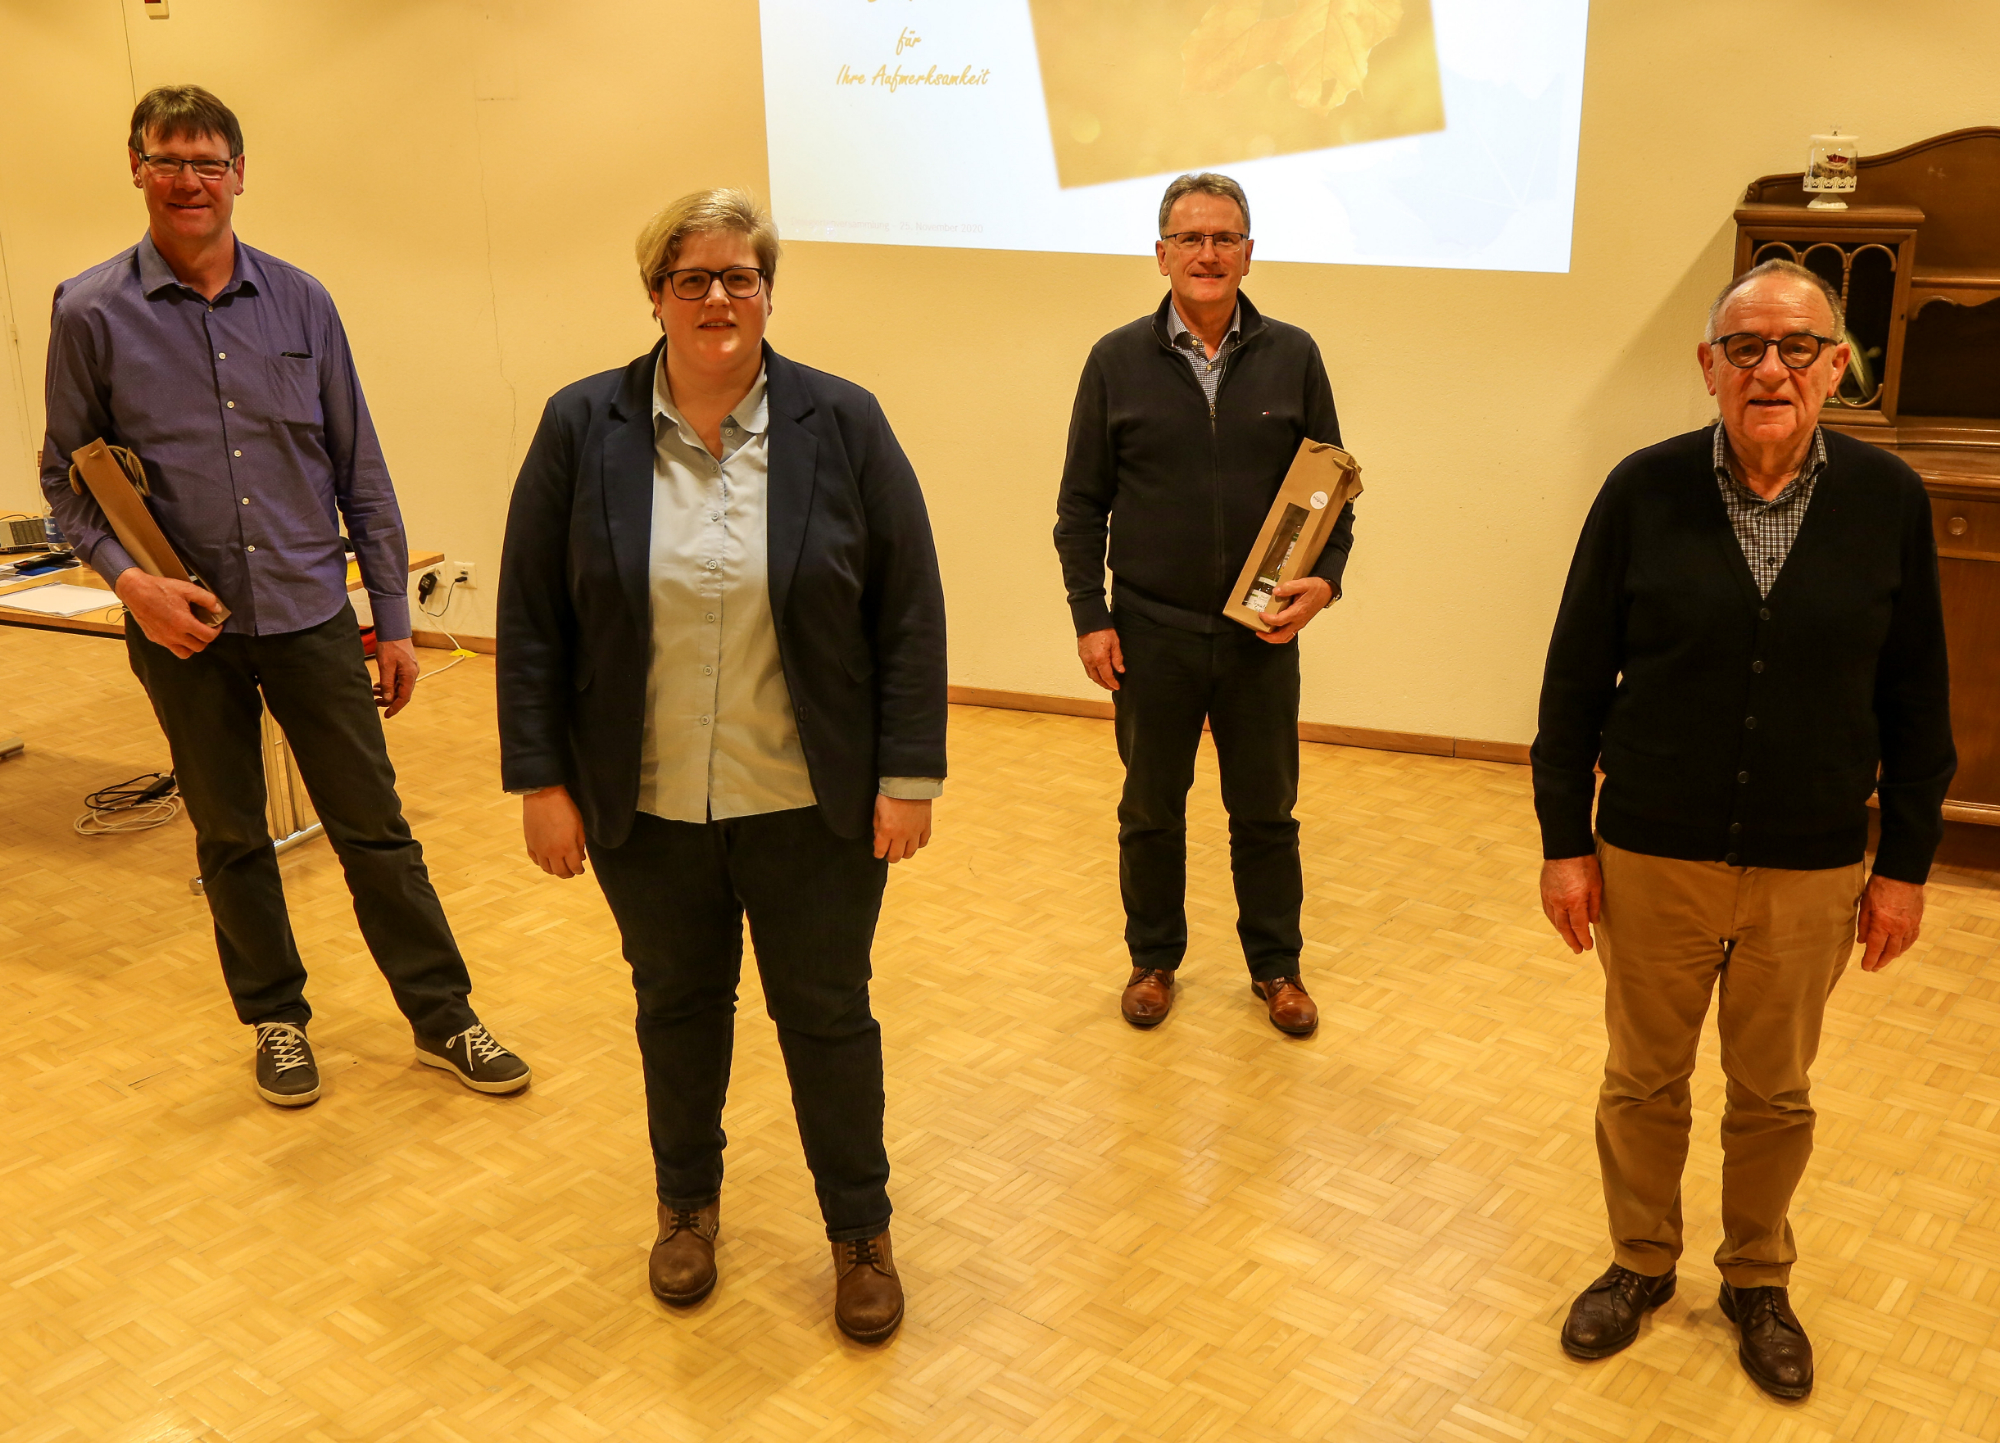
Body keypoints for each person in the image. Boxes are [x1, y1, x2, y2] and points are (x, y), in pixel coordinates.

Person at [496, 189, 946, 1343]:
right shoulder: (578, 426)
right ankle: (685, 1210)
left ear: (767, 293)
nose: (716, 298)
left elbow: (906, 608)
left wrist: (907, 774)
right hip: (645, 805)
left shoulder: (841, 422)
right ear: (654, 295)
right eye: (690, 278)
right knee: (676, 1010)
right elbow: (533, 618)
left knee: (827, 1016)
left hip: (811, 804)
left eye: (738, 276)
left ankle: (859, 1233)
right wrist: (542, 782)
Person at [40, 85, 529, 1108]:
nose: (188, 181)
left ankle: (443, 1015)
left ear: (239, 174)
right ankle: (276, 1019)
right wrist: (133, 586)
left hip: (311, 614)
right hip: (186, 632)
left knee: (376, 831)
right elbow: (65, 481)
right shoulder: (88, 311)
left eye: (208, 162)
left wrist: (392, 620)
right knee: (230, 836)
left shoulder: (303, 301)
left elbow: (360, 469)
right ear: (135, 168)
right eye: (167, 159)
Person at [1532, 258, 1954, 1398]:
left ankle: (1757, 1277)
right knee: (1641, 1077)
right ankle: (1638, 1260)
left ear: (1835, 365)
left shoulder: (1886, 499)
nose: (1771, 368)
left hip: (1809, 862)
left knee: (1773, 1091)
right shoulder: (1641, 489)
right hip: (1651, 850)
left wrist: (1903, 867)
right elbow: (1572, 681)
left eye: (1797, 347)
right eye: (1746, 347)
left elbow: (1917, 698)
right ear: (1708, 366)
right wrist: (1564, 843)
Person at [1053, 172, 1356, 1037]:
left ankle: (1277, 968)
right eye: (1190, 238)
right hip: (1150, 632)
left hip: (1261, 635)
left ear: (1249, 253)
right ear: (1161, 255)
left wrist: (1326, 580)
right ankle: (1152, 959)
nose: (1208, 253)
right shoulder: (1114, 361)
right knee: (1151, 809)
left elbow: (1334, 490)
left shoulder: (1295, 355)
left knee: (1266, 812)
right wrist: (1090, 615)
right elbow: (1080, 507)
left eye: (1225, 238)